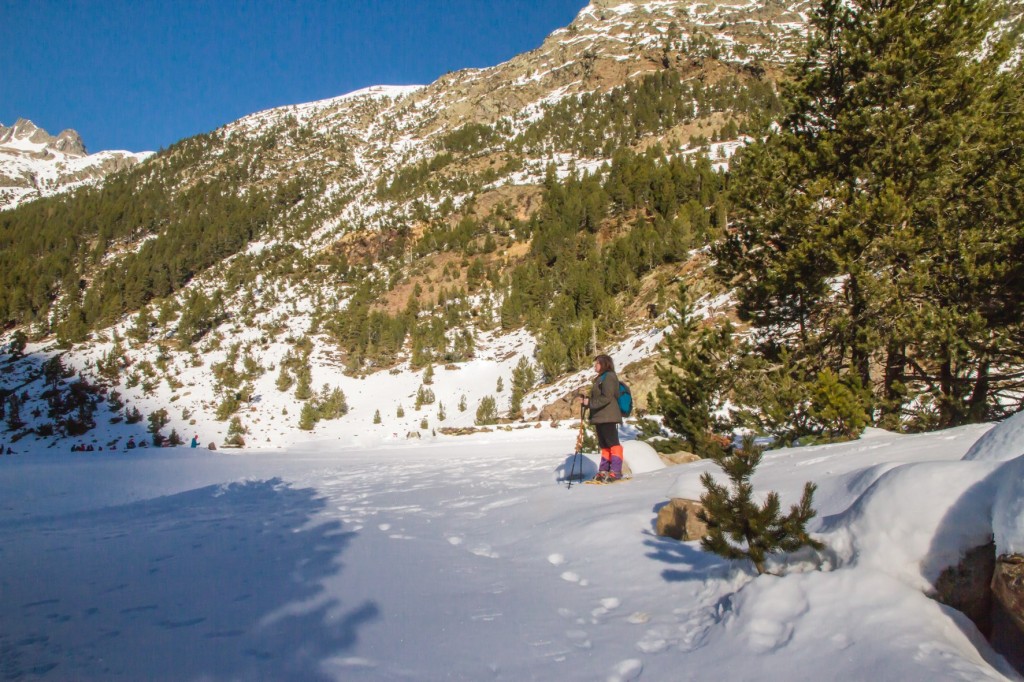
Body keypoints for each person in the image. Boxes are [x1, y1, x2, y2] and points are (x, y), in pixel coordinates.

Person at [580, 354, 624, 481]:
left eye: (597, 363)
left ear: (604, 364)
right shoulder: (601, 377)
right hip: (601, 416)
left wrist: (590, 403)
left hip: (608, 415)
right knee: (604, 445)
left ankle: (616, 471)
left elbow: (607, 396)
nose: (595, 365)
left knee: (613, 443)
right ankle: (604, 470)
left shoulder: (609, 376)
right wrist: (587, 401)